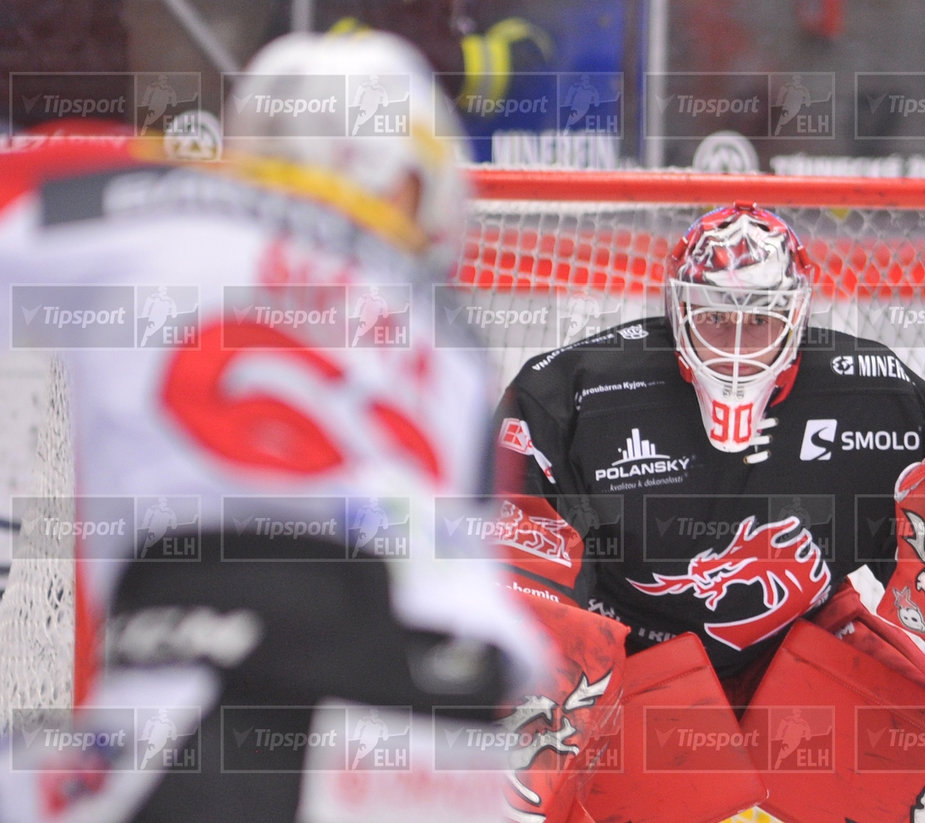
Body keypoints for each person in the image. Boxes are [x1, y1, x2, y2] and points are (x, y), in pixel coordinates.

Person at [0, 31, 545, 822]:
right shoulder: (451, 337)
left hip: (225, 692)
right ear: (396, 180)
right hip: (451, 749)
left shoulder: (136, 195)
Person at [495, 203, 925, 821]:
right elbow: (526, 593)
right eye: (715, 317)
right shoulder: (579, 395)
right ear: (677, 313)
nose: (736, 346)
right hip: (635, 675)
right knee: (511, 791)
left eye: (759, 320)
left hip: (801, 658)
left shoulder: (873, 395)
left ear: (797, 315)